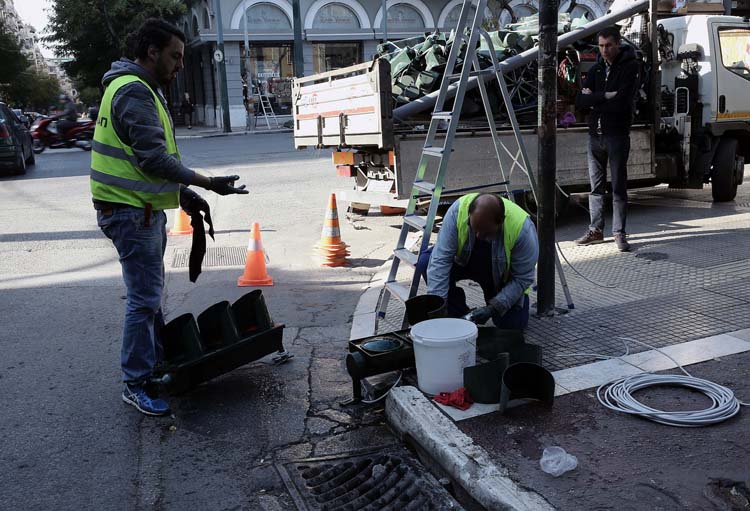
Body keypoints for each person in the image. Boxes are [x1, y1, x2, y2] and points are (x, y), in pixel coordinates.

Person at [91, 19, 249, 416]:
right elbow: (154, 159)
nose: (180, 64)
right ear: (151, 52)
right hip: (129, 212)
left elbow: (140, 164)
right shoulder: (134, 92)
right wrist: (209, 183)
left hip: (136, 208)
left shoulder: (137, 88)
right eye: (175, 56)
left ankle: (155, 363)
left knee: (149, 295)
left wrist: (184, 195)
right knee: (144, 299)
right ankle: (136, 381)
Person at [417, 193, 539, 329]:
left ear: (500, 222)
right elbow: (440, 261)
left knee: (513, 326)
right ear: (469, 216)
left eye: (485, 233)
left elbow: (522, 279)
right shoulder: (458, 211)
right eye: (474, 229)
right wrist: (439, 306)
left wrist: (493, 307)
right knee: (426, 261)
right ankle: (457, 313)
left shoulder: (523, 230)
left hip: (499, 277)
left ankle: (492, 307)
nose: (479, 236)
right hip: (464, 263)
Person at [574, 26, 640, 252]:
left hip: (617, 135)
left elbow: (622, 102)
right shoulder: (596, 69)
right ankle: (596, 230)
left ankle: (619, 233)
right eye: (601, 46)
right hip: (596, 136)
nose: (604, 50)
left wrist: (595, 98)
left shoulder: (630, 67)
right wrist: (604, 96)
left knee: (618, 187)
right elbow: (580, 102)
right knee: (595, 188)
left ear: (618, 43)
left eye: (608, 45)